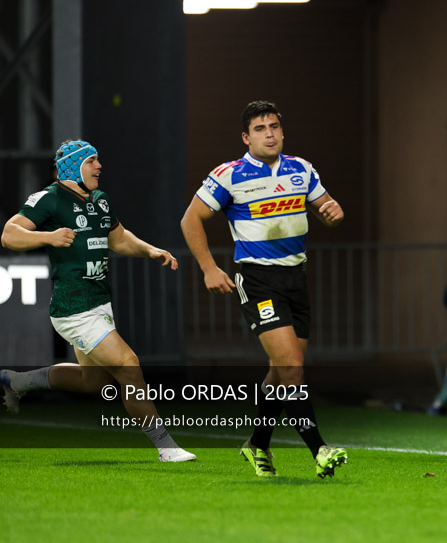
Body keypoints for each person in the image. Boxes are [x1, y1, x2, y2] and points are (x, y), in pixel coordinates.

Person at [179, 100, 347, 479]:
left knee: (281, 369)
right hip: (257, 280)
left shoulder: (301, 169)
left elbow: (326, 206)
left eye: (273, 126)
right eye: (260, 128)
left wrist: (333, 211)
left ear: (282, 131)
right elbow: (190, 220)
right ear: (246, 137)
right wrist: (208, 268)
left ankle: (257, 445)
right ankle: (319, 450)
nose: (269, 133)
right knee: (291, 366)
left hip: (296, 278)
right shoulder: (229, 175)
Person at [0, 139, 195, 462]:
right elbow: (9, 233)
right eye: (91, 161)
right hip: (73, 306)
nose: (99, 166)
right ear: (71, 167)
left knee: (93, 381)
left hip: (99, 303)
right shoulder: (49, 199)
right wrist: (47, 237)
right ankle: (166, 447)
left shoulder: (100, 200)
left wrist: (149, 249)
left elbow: (118, 238)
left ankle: (17, 380)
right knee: (129, 365)